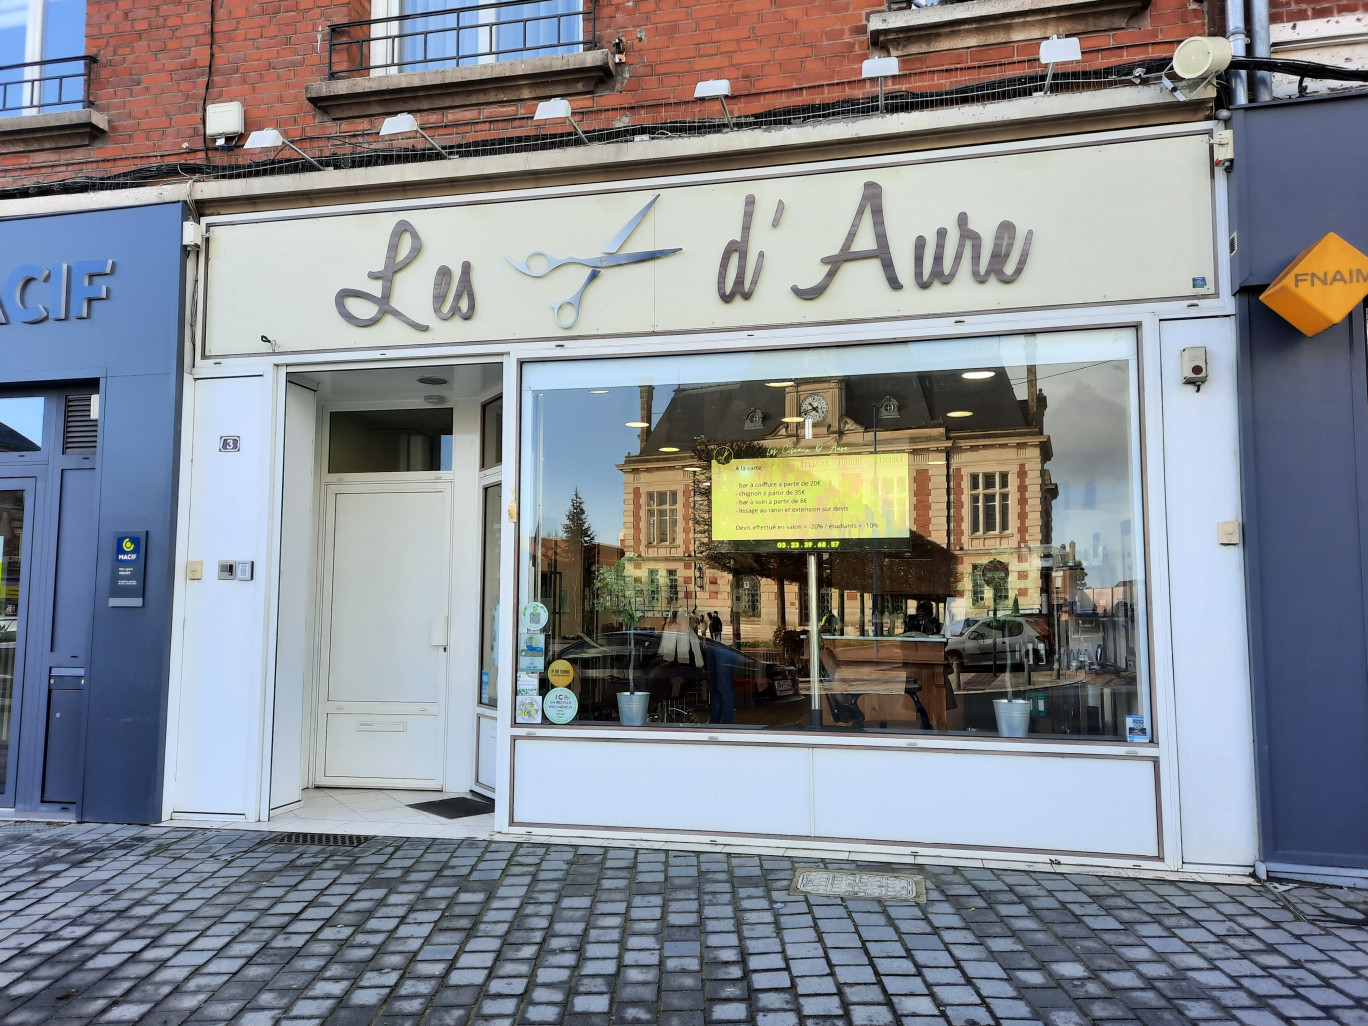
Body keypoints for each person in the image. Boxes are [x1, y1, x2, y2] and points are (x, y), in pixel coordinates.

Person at [704, 639, 747, 723]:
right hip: (711, 643)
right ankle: (715, 722)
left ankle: (727, 725)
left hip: (725, 643)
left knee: (724, 687)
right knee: (714, 687)